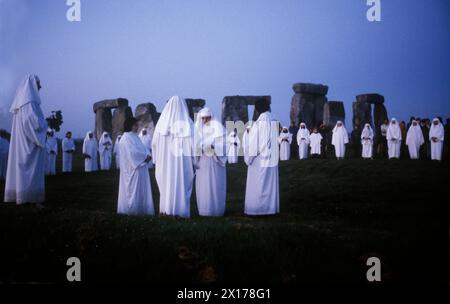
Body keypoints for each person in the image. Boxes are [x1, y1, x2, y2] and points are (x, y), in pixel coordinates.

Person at [4, 75, 47, 206]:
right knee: (29, 169)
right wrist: (45, 124)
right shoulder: (29, 103)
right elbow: (31, 122)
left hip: (23, 142)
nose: (40, 86)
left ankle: (22, 196)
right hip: (29, 143)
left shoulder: (22, 103)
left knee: (21, 169)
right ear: (32, 85)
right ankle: (30, 198)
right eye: (38, 83)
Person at [152, 96, 196, 218]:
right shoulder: (188, 124)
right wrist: (195, 161)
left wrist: (157, 160)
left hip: (165, 164)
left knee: (166, 184)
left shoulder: (160, 125)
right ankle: (180, 211)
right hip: (182, 164)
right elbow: (194, 145)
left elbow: (154, 145)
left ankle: (166, 209)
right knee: (181, 183)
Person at [244, 99, 279, 215]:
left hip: (260, 158)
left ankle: (259, 209)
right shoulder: (272, 118)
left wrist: (249, 157)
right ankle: (270, 208)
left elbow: (258, 141)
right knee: (269, 183)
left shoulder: (263, 119)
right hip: (271, 157)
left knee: (260, 183)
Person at [117, 117, 155, 216]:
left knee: (141, 191)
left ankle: (143, 210)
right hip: (132, 170)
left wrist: (148, 155)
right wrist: (145, 157)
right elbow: (132, 153)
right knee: (133, 191)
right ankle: (133, 211)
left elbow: (143, 148)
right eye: (135, 125)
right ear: (130, 125)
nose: (137, 127)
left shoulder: (135, 136)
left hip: (141, 168)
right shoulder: (125, 138)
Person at [194, 107, 227, 217]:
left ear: (211, 117)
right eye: (202, 119)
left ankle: (216, 210)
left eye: (207, 118)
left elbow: (224, 144)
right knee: (203, 186)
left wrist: (214, 147)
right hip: (203, 162)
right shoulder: (198, 131)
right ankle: (204, 210)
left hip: (214, 163)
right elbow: (193, 146)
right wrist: (200, 148)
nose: (204, 121)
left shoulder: (218, 129)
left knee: (215, 185)